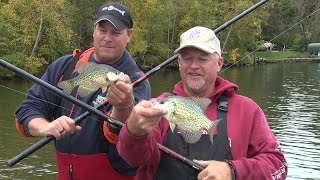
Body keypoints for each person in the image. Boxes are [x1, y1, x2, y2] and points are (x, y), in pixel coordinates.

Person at [117, 26, 288, 180]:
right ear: (179, 64)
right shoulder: (157, 106)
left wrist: (233, 170)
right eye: (187, 58)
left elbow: (278, 165)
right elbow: (132, 159)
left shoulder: (247, 110)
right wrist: (133, 132)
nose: (193, 66)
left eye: (203, 59)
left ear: (219, 63)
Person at [15, 2, 150, 180]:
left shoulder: (135, 82)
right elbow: (27, 110)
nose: (107, 38)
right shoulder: (65, 66)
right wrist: (46, 127)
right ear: (94, 30)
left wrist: (124, 108)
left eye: (116, 32)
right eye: (102, 30)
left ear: (129, 35)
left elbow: (128, 152)